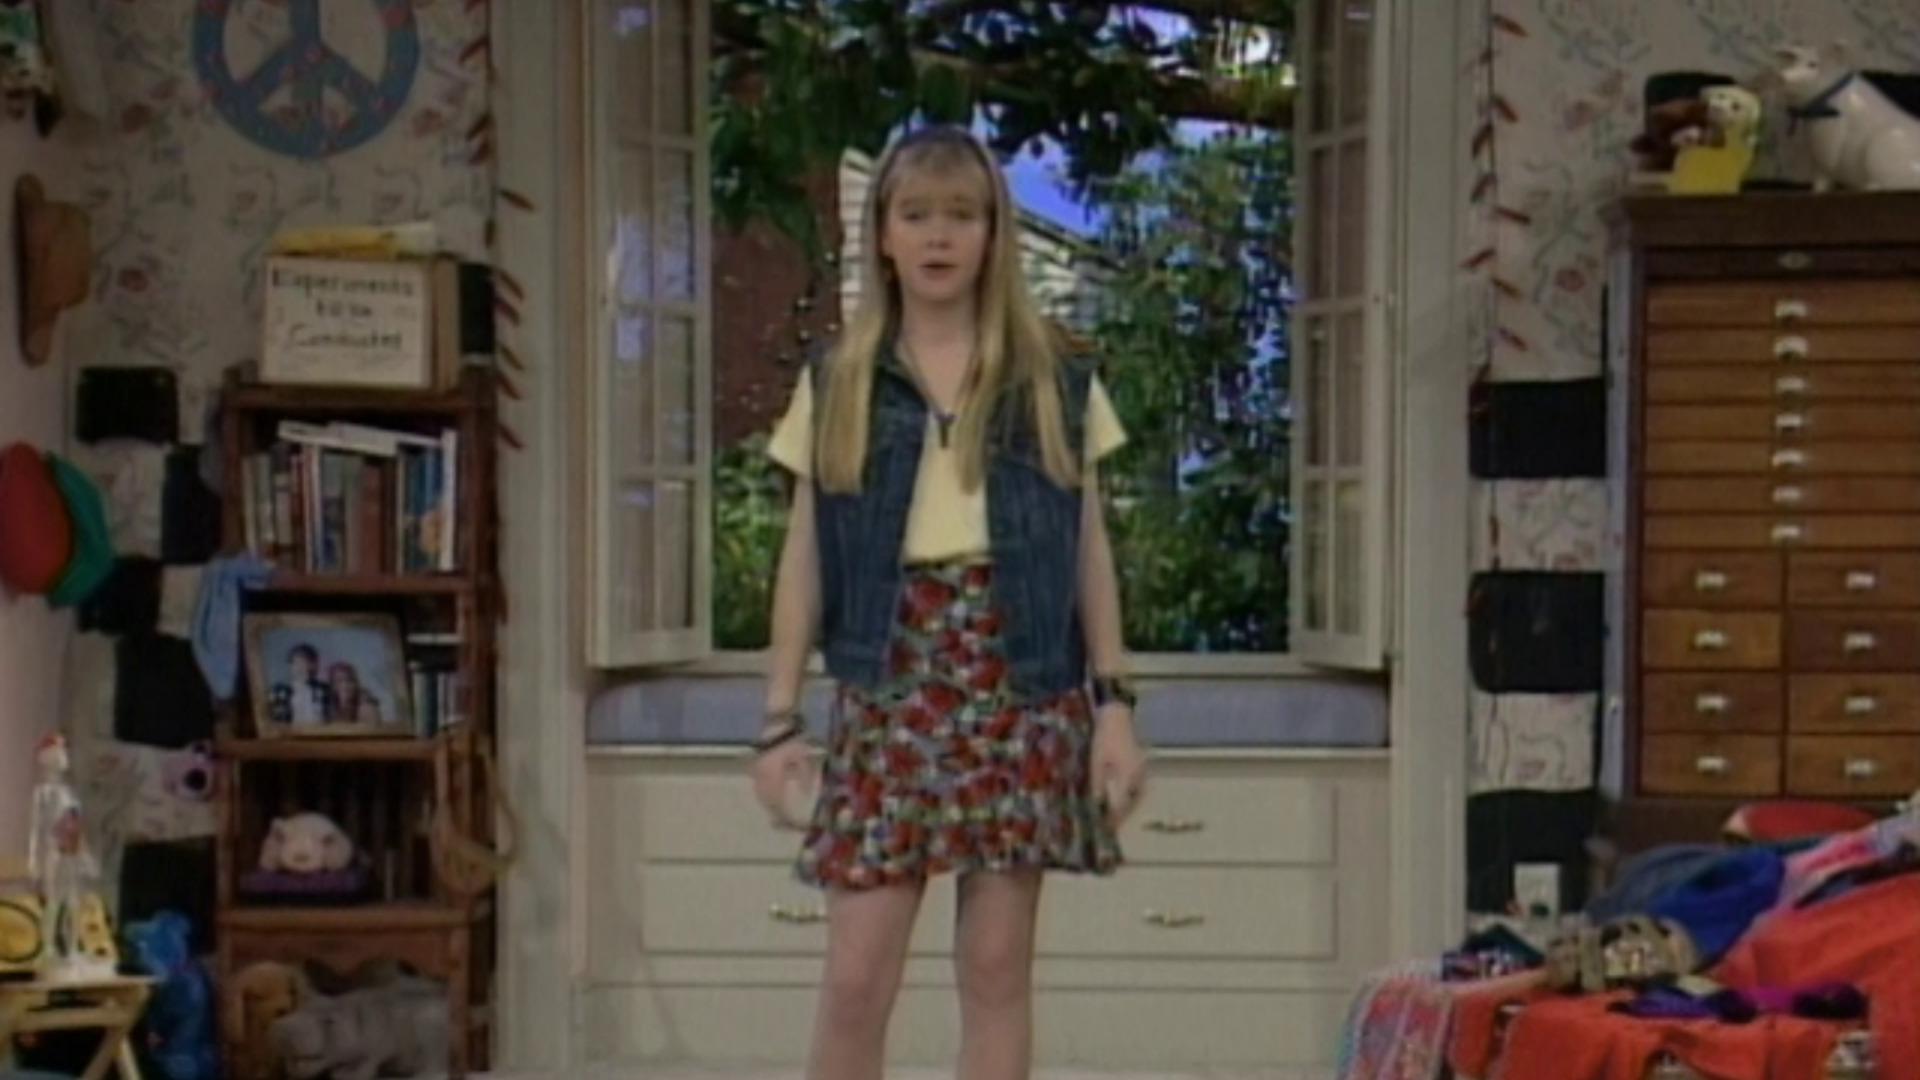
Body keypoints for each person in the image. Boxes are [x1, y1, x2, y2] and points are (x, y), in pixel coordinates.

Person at [750, 123, 1150, 1080]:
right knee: (856, 979)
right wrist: (778, 721)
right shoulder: (840, 380)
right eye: (917, 215)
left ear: (992, 235)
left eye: (961, 216)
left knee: (997, 971)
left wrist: (1114, 708)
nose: (938, 236)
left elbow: (1088, 548)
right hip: (891, 687)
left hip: (1021, 685)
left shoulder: (1053, 378)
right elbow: (804, 556)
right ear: (884, 235)